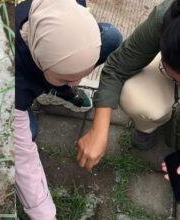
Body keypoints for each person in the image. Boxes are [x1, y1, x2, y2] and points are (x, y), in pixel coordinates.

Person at [15, 0, 122, 219]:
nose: (77, 82)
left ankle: (57, 90)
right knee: (27, 134)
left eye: (84, 73)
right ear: (37, 55)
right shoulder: (11, 81)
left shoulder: (68, 5)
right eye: (66, 78)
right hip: (22, 85)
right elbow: (23, 160)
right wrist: (44, 214)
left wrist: (63, 77)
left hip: (45, 68)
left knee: (110, 37)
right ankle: (46, 92)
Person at [77, 0, 180, 174]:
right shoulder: (166, 17)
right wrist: (99, 130)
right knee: (134, 96)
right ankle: (148, 128)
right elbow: (117, 67)